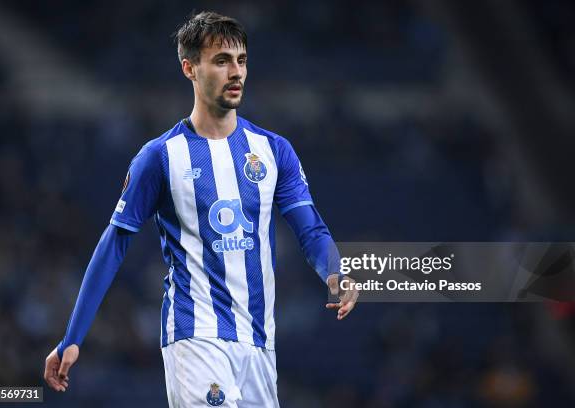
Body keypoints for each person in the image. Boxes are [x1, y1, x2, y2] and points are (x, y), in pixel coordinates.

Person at [44, 11, 358, 407]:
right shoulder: (160, 157)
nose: (236, 72)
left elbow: (310, 229)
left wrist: (335, 272)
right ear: (189, 68)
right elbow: (114, 245)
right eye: (222, 61)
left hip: (259, 343)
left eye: (241, 60)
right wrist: (73, 337)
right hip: (195, 337)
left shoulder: (274, 151)